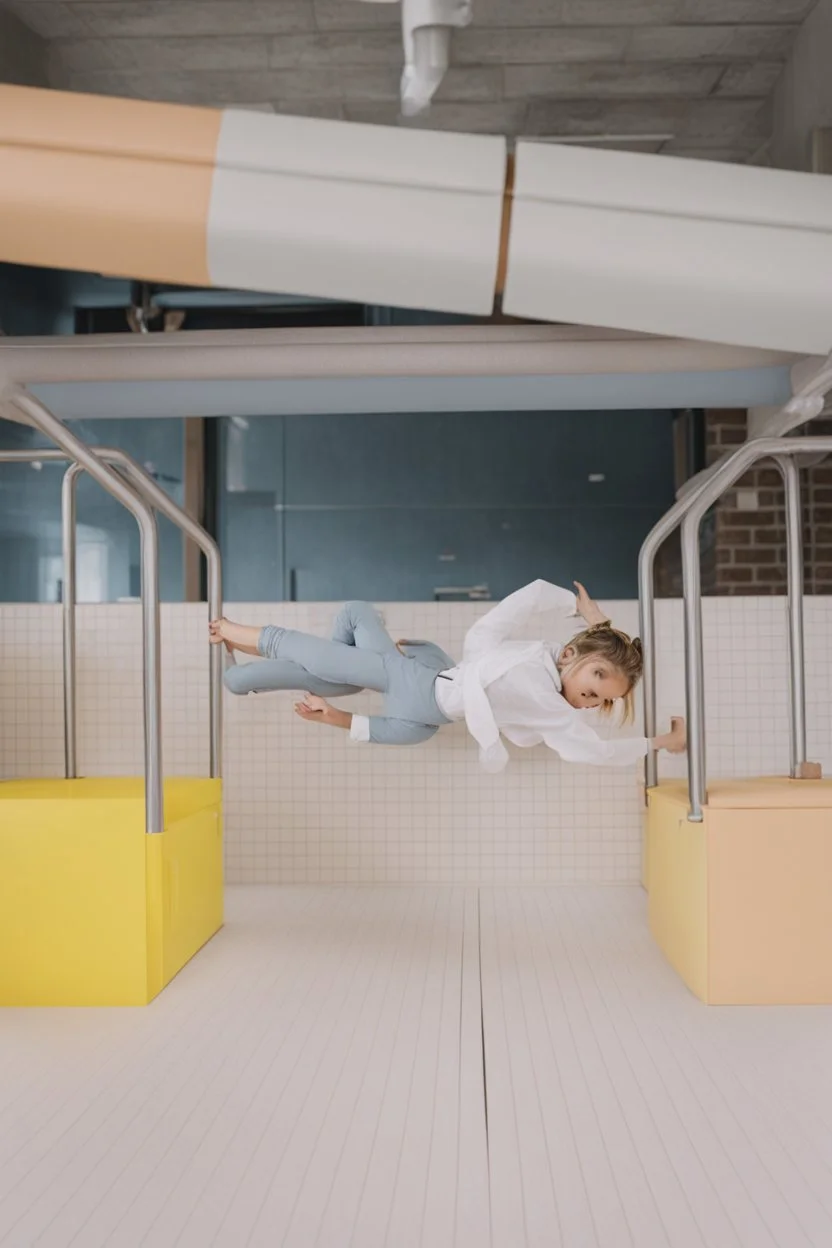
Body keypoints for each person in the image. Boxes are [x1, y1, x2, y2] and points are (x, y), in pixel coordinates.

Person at [210, 579, 686, 773]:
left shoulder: (543, 698)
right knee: (349, 635)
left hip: (417, 689)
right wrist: (589, 619)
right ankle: (240, 681)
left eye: (602, 699)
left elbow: (596, 750)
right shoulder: (529, 665)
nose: (591, 695)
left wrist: (661, 742)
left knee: (333, 660)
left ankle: (233, 632)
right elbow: (511, 611)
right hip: (429, 679)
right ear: (569, 654)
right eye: (597, 678)